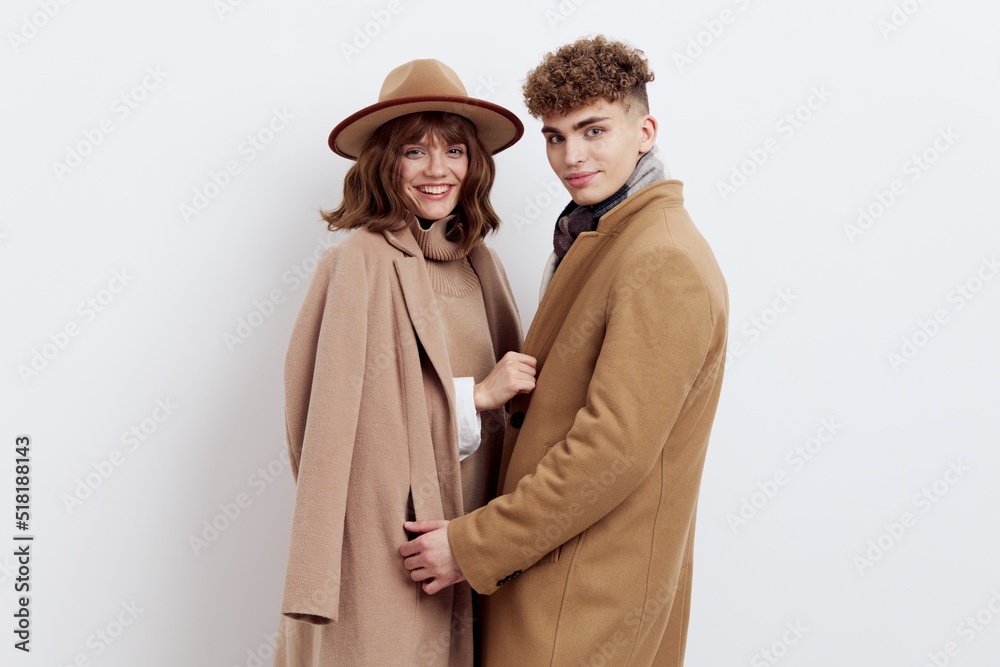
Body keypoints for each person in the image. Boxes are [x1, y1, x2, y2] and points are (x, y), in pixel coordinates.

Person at [401, 36, 729, 666]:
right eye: (555, 137)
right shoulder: (604, 234)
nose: (571, 156)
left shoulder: (660, 258)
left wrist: (473, 544)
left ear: (645, 131)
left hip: (586, 604)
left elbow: (612, 450)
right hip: (557, 586)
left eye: (593, 130)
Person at [275, 59, 537, 667]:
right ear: (383, 163)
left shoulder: (480, 267)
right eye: (414, 150)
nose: (438, 170)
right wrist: (473, 397)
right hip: (385, 554)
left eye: (454, 150)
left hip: (470, 550)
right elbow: (328, 424)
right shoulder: (355, 264)